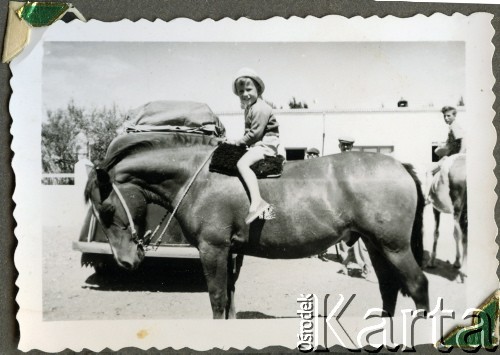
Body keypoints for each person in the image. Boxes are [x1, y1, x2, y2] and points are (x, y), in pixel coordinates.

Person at [226, 68, 280, 224]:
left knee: (242, 164)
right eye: (241, 91)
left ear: (258, 89)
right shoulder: (249, 108)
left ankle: (257, 202)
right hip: (258, 144)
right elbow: (248, 132)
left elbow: (255, 134)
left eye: (248, 89)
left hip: (266, 144)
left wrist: (237, 142)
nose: (245, 93)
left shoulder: (260, 108)